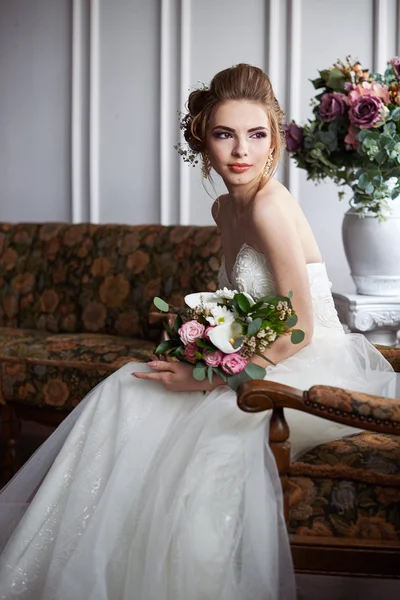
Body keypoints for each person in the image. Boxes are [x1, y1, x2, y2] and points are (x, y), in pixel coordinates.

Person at [0, 64, 395, 600]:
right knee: (128, 387)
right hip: (263, 353)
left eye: (258, 135)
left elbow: (298, 331)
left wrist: (207, 378)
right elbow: (249, 304)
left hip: (306, 364)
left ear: (275, 138)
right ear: (201, 140)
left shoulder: (270, 206)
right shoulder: (224, 207)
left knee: (184, 436)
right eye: (224, 134)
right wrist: (205, 340)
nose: (242, 151)